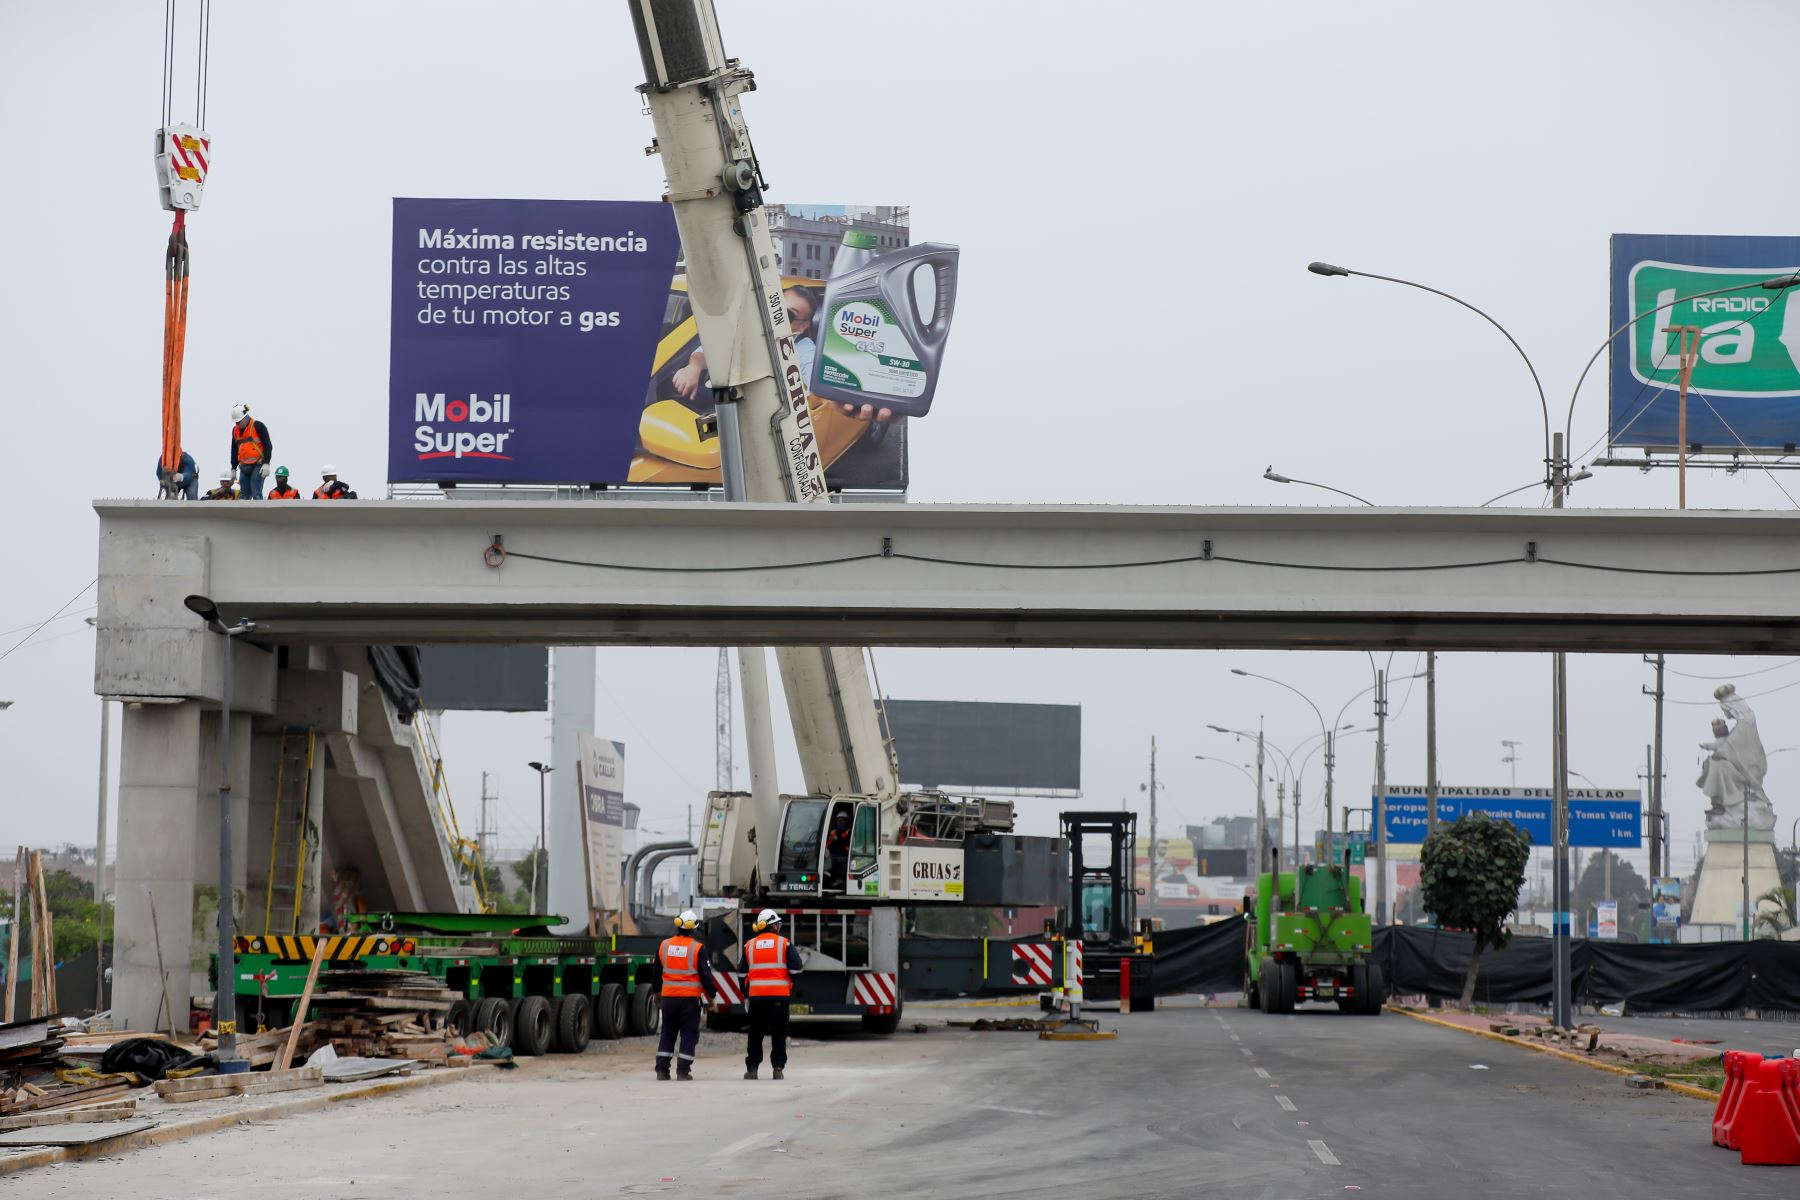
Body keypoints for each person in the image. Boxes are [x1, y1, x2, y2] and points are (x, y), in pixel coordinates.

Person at [670, 286, 821, 402]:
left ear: (803, 326)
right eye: (775, 306)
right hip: (726, 402)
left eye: (788, 314)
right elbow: (706, 351)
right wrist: (693, 368)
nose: (776, 315)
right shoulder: (749, 329)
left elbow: (815, 375)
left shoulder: (803, 348)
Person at [654, 910, 717, 1081]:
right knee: (688, 1033)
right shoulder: (697, 948)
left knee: (667, 1031)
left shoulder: (664, 945)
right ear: (694, 928)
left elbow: (656, 973)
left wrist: (656, 993)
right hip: (689, 1000)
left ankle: (662, 1070)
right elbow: (705, 975)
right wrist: (712, 996)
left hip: (668, 998)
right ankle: (682, 1071)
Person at [743, 908, 803, 1080]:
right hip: (779, 998)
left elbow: (741, 973)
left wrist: (746, 993)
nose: (779, 927)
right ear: (773, 926)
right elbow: (797, 968)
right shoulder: (784, 944)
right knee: (779, 1033)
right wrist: (788, 980)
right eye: (777, 924)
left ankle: (752, 1069)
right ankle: (778, 1068)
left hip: (756, 998)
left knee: (755, 1033)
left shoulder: (750, 945)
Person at [227, 405, 274, 500]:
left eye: (239, 422)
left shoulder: (258, 426)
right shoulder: (235, 430)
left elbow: (268, 445)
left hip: (258, 465)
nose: (237, 424)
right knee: (244, 496)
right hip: (244, 466)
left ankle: (259, 514)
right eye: (236, 422)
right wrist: (233, 468)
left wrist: (266, 463)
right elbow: (234, 450)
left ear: (245, 418)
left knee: (256, 492)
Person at [824, 809, 852, 889]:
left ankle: (840, 879)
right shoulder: (834, 832)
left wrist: (838, 840)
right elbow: (828, 846)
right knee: (829, 859)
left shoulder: (849, 832)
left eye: (842, 821)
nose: (840, 822)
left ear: (846, 822)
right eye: (838, 821)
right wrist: (831, 839)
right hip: (834, 854)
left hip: (845, 855)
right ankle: (828, 880)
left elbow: (847, 846)